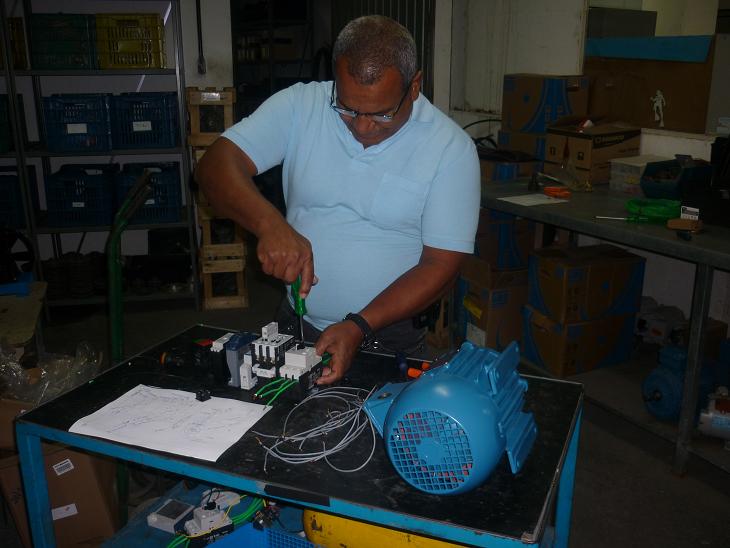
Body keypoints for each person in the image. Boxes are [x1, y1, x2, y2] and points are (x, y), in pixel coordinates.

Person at [196, 15, 480, 385]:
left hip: (388, 338)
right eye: (347, 108)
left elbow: (441, 265)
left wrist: (359, 325)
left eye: (380, 114)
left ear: (414, 86)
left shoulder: (450, 149)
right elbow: (214, 167)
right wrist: (270, 225)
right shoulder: (301, 106)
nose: (362, 127)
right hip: (297, 323)